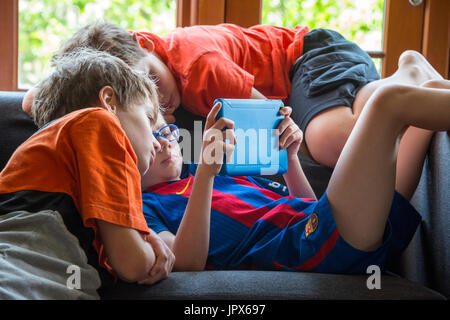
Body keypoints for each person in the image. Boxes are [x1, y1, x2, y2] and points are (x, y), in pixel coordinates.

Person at [22, 21, 444, 200]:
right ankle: (401, 83)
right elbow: (30, 101)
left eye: (151, 82)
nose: (159, 104)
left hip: (309, 56)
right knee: (386, 187)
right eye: (143, 99)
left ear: (146, 42)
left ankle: (405, 73)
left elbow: (276, 117)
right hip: (325, 78)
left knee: (329, 139)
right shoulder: (136, 68)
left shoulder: (199, 68)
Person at [140, 79, 450, 273]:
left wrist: (290, 159)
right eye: (151, 141)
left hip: (319, 231)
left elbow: (304, 212)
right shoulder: (147, 208)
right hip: (314, 251)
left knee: (431, 92)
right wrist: (207, 175)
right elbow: (184, 262)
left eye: (166, 132)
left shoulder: (203, 175)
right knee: (388, 102)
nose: (164, 142)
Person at [0, 47, 175, 299]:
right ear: (109, 102)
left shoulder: (78, 168)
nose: (157, 142)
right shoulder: (100, 123)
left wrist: (144, 236)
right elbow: (133, 264)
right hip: (16, 273)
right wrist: (146, 250)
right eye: (148, 118)